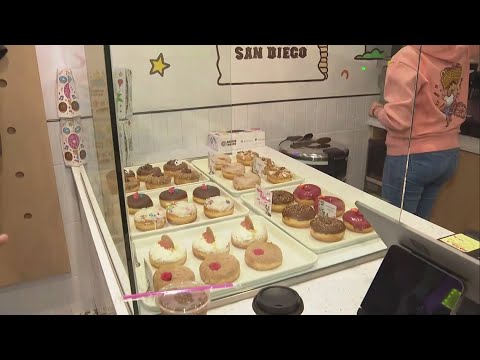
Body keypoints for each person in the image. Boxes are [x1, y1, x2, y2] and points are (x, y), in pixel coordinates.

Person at [370, 45, 479, 220]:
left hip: (412, 157)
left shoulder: (407, 58)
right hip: (448, 155)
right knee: (419, 228)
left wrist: (376, 110)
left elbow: (398, 121)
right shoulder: (462, 49)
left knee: (395, 227)